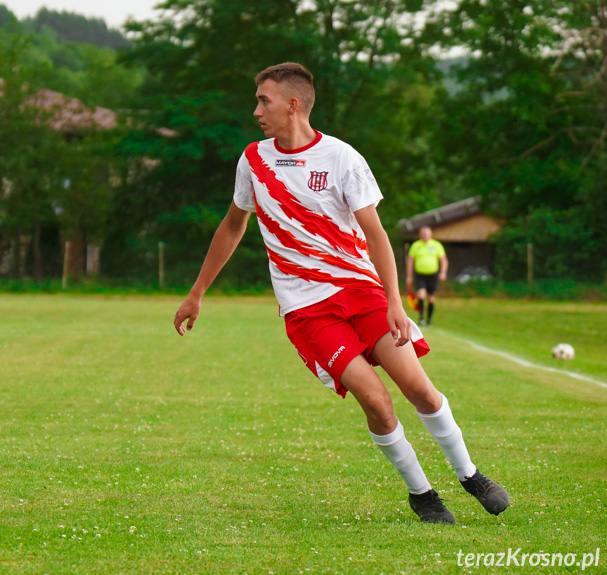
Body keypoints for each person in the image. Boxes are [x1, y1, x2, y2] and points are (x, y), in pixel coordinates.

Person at [173, 62, 508, 524]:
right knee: (376, 401)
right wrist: (197, 292)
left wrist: (394, 300)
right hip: (307, 308)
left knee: (420, 391)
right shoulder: (252, 161)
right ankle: (421, 493)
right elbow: (233, 226)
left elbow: (377, 234)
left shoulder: (342, 158)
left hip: (362, 291)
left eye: (263, 101)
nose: (256, 111)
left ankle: (469, 474)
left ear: (293, 105)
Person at [406, 226, 448, 326]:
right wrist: (409, 276)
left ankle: (428, 319)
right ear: (420, 235)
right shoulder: (416, 245)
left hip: (432, 275)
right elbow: (410, 262)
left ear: (431, 234)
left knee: (431, 298)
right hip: (420, 274)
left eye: (427, 234)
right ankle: (421, 317)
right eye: (423, 234)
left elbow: (444, 260)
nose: (425, 236)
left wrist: (443, 272)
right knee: (421, 295)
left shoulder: (436, 245)